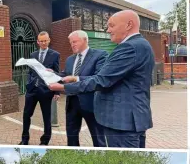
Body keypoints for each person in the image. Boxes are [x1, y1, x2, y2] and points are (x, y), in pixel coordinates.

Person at [49, 10, 154, 148]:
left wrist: (63, 88)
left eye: (111, 25)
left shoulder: (129, 47)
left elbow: (101, 80)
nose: (108, 30)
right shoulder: (141, 45)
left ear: (129, 25)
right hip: (128, 120)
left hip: (122, 122)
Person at [59, 30, 108, 147]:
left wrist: (75, 78)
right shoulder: (70, 59)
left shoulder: (100, 55)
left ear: (85, 40)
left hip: (91, 104)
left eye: (75, 41)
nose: (72, 45)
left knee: (98, 139)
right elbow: (64, 75)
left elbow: (98, 78)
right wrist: (52, 75)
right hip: (72, 103)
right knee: (71, 138)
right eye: (71, 42)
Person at [19, 31, 60, 146]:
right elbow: (30, 72)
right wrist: (28, 84)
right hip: (32, 90)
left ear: (49, 40)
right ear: (38, 42)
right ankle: (25, 139)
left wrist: (56, 91)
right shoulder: (33, 55)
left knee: (46, 117)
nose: (43, 43)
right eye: (41, 41)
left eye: (45, 40)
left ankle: (45, 141)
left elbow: (56, 73)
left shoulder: (55, 55)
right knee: (26, 115)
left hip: (46, 91)